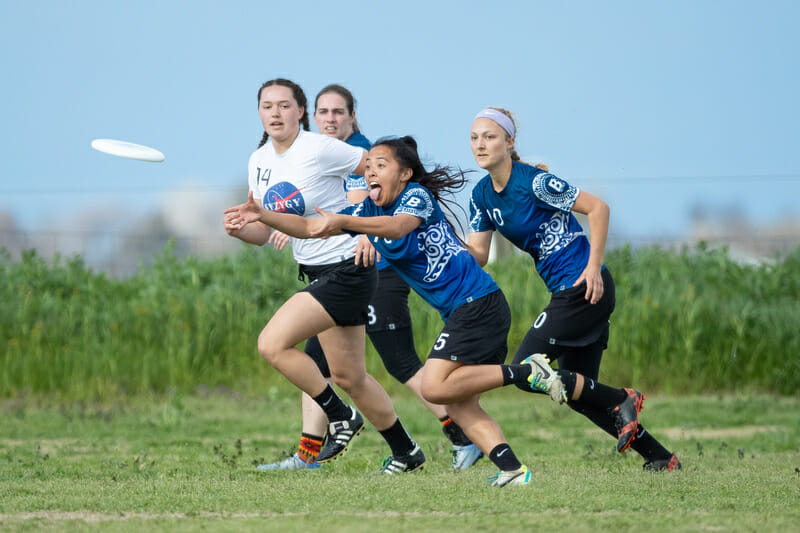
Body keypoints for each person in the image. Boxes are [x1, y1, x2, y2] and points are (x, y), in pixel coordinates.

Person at [225, 135, 565, 487]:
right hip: (464, 311)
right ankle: (514, 471)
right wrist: (263, 214)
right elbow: (311, 227)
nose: (370, 172)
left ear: (404, 174)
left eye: (381, 165)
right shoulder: (368, 210)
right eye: (368, 166)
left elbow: (398, 226)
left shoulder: (415, 196)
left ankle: (523, 374)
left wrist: (347, 223)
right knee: (460, 405)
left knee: (434, 386)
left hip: (478, 305)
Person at [259, 84, 482, 472]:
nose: (330, 119)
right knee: (344, 371)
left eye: (338, 112)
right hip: (330, 272)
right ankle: (399, 451)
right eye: (324, 112)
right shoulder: (296, 157)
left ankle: (461, 434)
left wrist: (365, 233)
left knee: (397, 363)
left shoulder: (361, 154)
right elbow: (311, 213)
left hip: (366, 271)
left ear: (351, 117)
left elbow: (376, 205)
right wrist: (271, 220)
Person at [222, 78, 425, 473]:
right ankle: (407, 452)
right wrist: (240, 228)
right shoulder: (259, 160)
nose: (275, 113)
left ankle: (340, 417)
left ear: (301, 112)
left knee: (272, 344)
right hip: (317, 271)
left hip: (349, 268)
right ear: (259, 113)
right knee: (351, 375)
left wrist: (370, 225)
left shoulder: (319, 149)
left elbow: (378, 169)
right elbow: (263, 232)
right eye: (267, 106)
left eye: (285, 106)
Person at [466, 107, 681, 472]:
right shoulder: (481, 196)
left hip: (584, 287)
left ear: (509, 142)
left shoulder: (534, 182)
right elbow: (478, 255)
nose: (480, 144)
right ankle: (661, 457)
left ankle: (624, 397)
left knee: (524, 369)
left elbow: (598, 208)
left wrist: (594, 267)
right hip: (565, 293)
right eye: (474, 138)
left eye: (489, 136)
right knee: (579, 394)